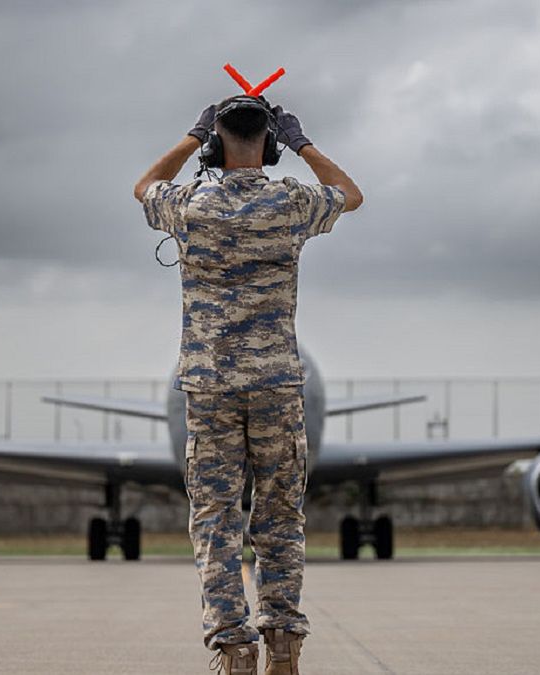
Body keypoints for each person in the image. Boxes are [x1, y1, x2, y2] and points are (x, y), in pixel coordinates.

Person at [134, 94, 362, 675]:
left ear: (214, 145)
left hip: (209, 389)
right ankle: (283, 642)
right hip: (276, 386)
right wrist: (301, 142)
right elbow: (351, 195)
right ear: (271, 144)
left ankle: (234, 648)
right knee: (280, 516)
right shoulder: (290, 201)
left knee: (215, 520)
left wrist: (194, 136)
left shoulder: (189, 204)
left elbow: (144, 185)